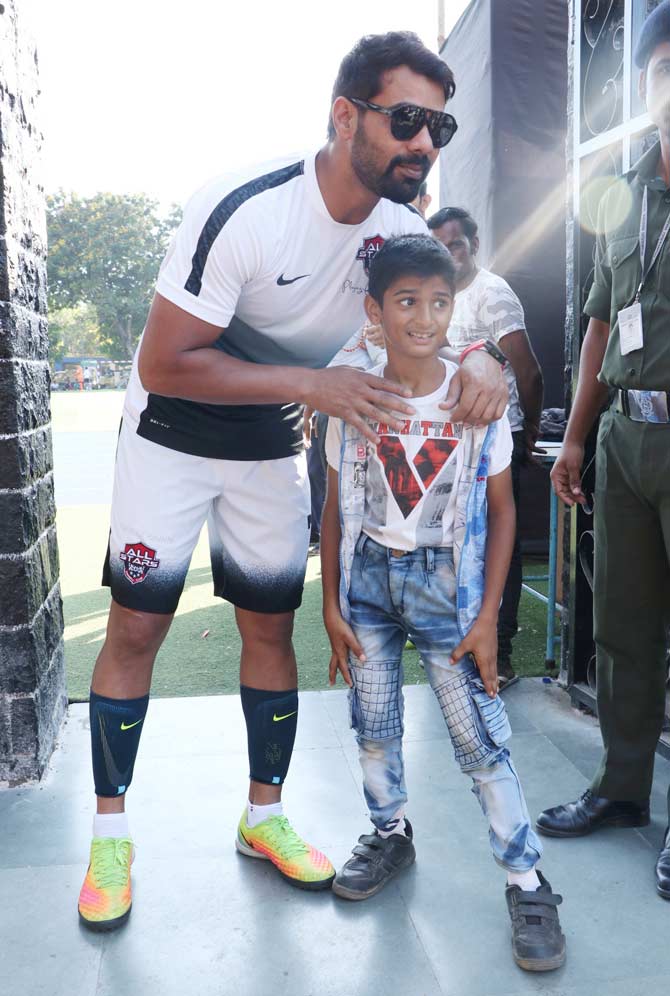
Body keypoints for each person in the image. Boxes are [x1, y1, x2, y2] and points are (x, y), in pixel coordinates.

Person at [76, 31, 510, 931]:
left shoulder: (400, 231)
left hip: (270, 443)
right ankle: (110, 838)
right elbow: (165, 361)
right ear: (345, 115)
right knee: (137, 630)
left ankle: (263, 818)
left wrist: (488, 366)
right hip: (172, 430)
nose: (424, 143)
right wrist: (313, 384)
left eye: (439, 126)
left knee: (270, 630)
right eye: (405, 120)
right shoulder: (246, 207)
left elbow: (450, 330)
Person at [320, 235, 566, 972]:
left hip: (448, 594)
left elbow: (503, 512)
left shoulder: (477, 397)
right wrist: (332, 605)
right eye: (405, 302)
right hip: (365, 588)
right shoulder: (353, 393)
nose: (423, 318)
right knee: (373, 728)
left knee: (479, 742)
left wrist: (489, 613)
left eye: (437, 302)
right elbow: (334, 506)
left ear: (453, 308)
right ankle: (389, 833)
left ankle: (527, 880)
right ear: (375, 310)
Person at [535, 1, 670, 901]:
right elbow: (595, 329)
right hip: (625, 433)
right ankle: (623, 790)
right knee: (621, 627)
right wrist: (577, 434)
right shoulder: (625, 191)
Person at [428, 207, 544, 687]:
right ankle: (454, 641)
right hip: (450, 440)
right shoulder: (437, 296)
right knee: (450, 541)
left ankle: (503, 649)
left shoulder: (491, 293)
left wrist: (528, 431)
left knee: (499, 543)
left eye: (454, 245)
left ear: (473, 244)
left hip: (496, 440)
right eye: (438, 246)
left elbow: (528, 370)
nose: (446, 255)